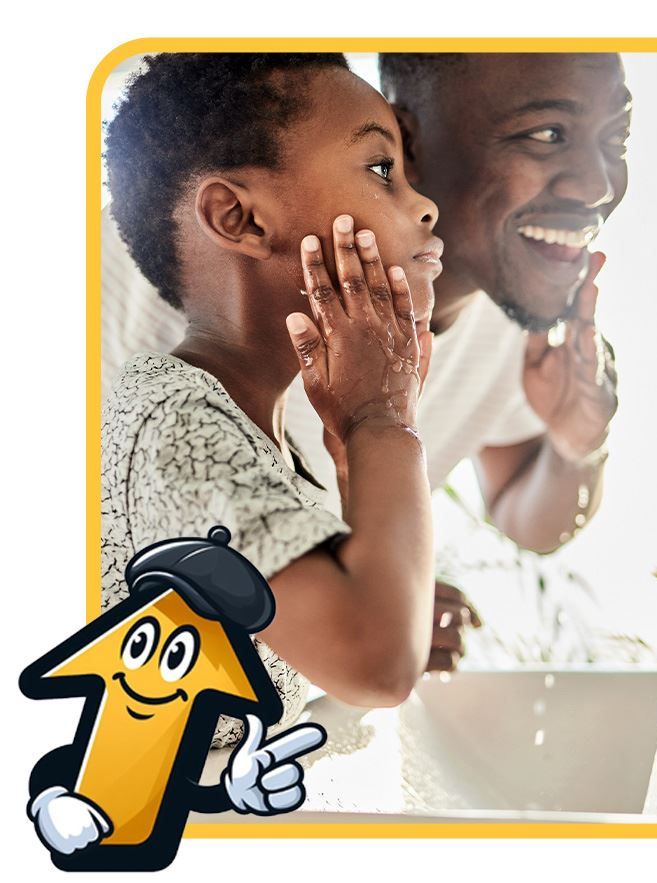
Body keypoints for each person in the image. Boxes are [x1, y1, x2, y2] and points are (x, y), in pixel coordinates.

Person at [101, 52, 632, 670]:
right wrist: (382, 421)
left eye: (617, 138)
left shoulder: (515, 331)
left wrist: (375, 577)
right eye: (545, 133)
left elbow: (521, 521)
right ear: (411, 134)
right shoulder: (149, 340)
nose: (598, 185)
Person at [102, 52, 443, 744]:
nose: (425, 204)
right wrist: (384, 421)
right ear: (241, 219)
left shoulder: (258, 438)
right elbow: (375, 662)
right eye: (382, 170)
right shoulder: (173, 422)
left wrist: (357, 449)